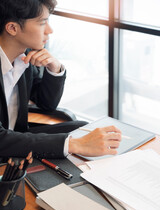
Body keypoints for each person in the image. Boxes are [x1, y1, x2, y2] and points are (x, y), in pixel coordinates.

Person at [0, 0, 121, 162]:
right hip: (4, 144)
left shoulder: (23, 57)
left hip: (17, 137)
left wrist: (54, 68)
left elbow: (46, 104)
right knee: (75, 142)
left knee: (81, 128)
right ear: (12, 28)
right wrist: (74, 144)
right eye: (43, 23)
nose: (50, 30)